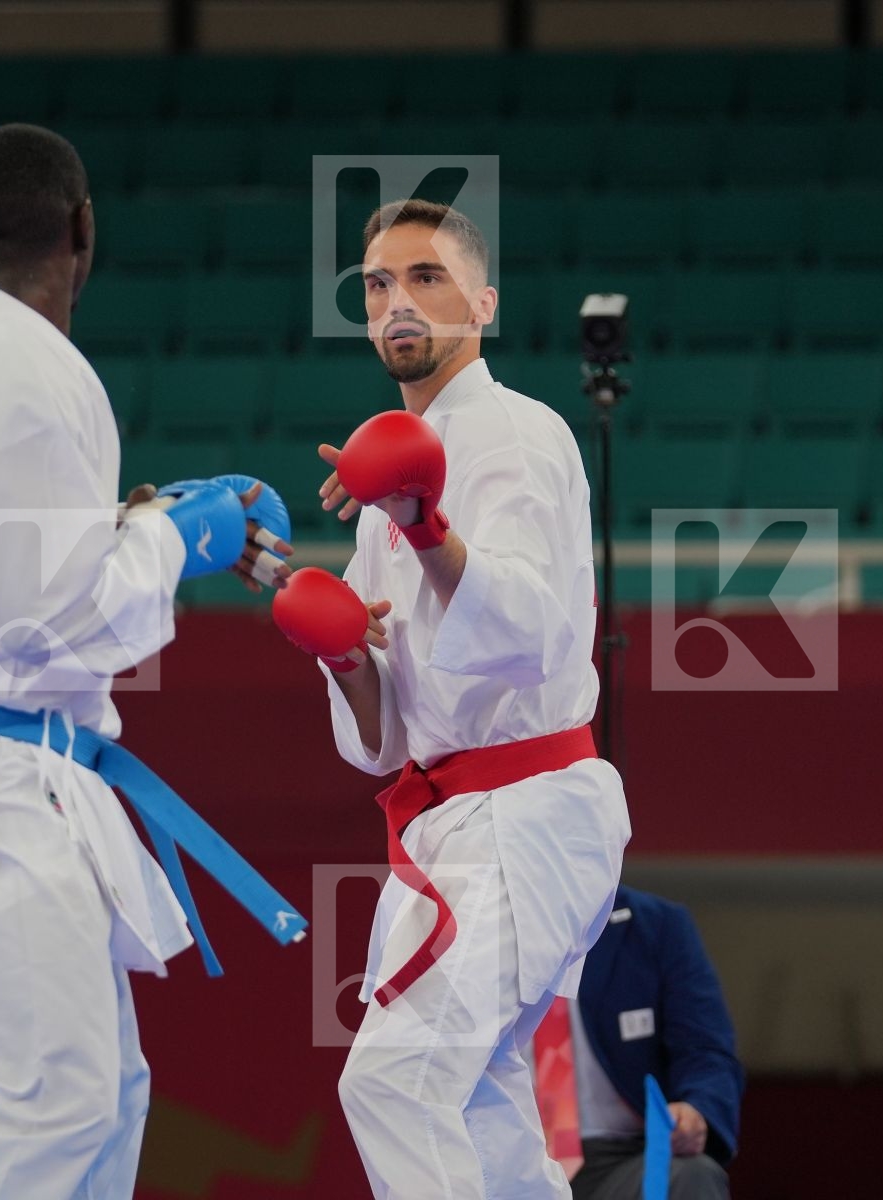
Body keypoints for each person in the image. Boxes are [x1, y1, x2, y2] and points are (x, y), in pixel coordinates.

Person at [0, 123, 299, 1199]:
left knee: (103, 1097)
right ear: (84, 230)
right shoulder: (19, 370)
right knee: (47, 1103)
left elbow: (3, 558)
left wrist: (145, 520)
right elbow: (42, 617)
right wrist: (181, 540)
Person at [275, 198, 631, 1198]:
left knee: (396, 1085)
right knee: (480, 1106)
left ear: (482, 300)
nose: (397, 302)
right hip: (448, 823)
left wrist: (429, 526)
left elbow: (527, 636)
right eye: (379, 285)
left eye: (425, 278)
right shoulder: (388, 474)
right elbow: (386, 741)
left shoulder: (518, 435)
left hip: (524, 811)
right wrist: (344, 655)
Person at [543, 885, 743, 1200]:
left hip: (624, 1156)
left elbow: (704, 1051)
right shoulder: (473, 925)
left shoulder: (656, 925)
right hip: (498, 1150)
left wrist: (694, 1110)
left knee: (692, 1176)